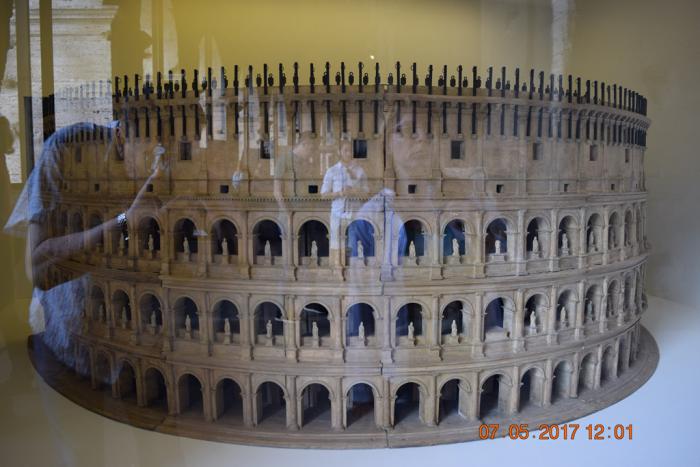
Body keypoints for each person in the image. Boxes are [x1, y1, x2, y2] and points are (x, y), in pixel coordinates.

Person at [4, 121, 163, 372]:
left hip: (142, 354)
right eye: (152, 153)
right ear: (122, 134)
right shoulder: (69, 147)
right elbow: (38, 269)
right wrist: (126, 222)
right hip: (69, 350)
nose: (158, 166)